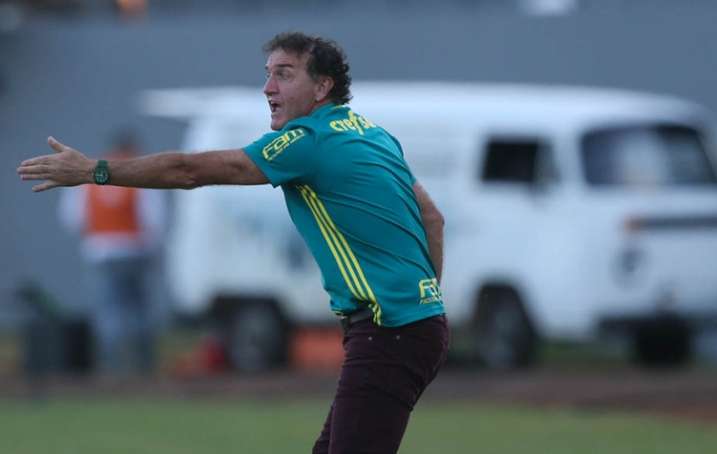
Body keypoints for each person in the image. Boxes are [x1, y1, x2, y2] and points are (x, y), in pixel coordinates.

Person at [18, 31, 448, 454]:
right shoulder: (374, 134)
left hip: (388, 329)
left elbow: (190, 171)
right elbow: (433, 216)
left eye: (284, 74)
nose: (268, 87)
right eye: (268, 74)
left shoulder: (309, 141)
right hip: (412, 325)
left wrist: (96, 170)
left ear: (322, 86)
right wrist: (425, 304)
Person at [58, 131, 165, 375]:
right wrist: (154, 248)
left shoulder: (88, 177)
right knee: (139, 309)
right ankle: (143, 365)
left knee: (109, 310)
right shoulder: (141, 175)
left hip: (101, 252)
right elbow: (154, 219)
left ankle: (112, 365)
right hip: (135, 250)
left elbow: (72, 219)